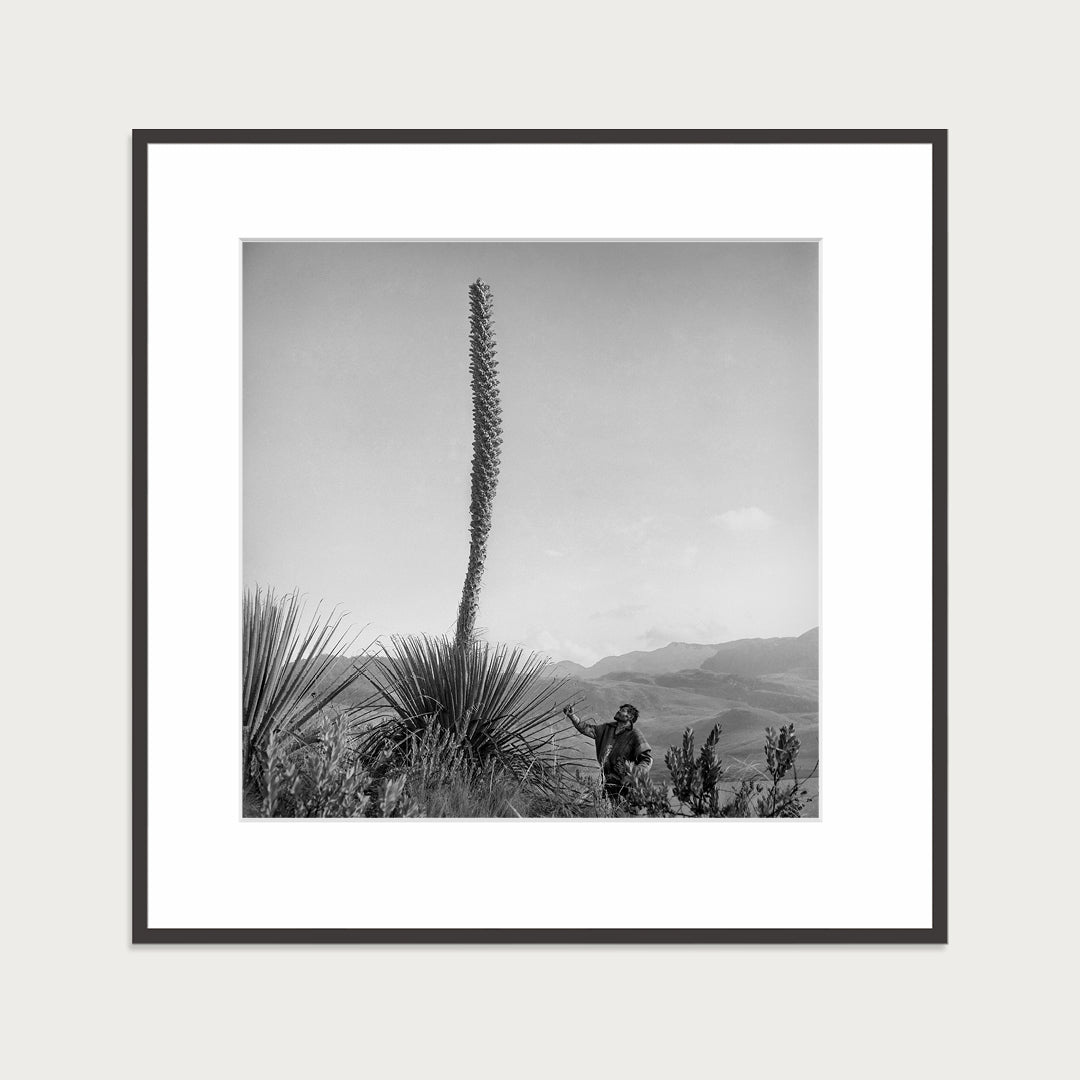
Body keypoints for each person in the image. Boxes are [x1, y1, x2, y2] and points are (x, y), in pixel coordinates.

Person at [563, 702, 653, 801]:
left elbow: (647, 760)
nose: (618, 711)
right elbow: (586, 729)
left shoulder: (635, 734)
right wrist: (572, 716)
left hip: (627, 787)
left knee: (624, 813)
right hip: (608, 783)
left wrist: (632, 776)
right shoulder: (606, 729)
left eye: (622, 711)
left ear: (630, 717)